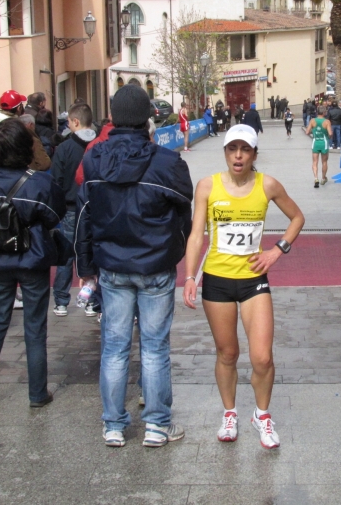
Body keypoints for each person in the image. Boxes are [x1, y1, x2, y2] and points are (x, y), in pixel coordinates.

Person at [75, 84, 193, 448]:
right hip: (154, 265)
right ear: (147, 118)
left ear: (113, 117)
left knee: (114, 346)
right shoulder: (167, 162)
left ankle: (113, 424)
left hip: (112, 265)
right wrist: (173, 249)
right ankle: (157, 424)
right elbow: (184, 214)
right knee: (155, 346)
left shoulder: (94, 160)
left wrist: (86, 266)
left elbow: (84, 215)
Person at [183, 124, 304, 448]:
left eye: (245, 149)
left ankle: (262, 416)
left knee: (262, 357)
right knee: (228, 353)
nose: (238, 156)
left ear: (254, 154)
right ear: (225, 152)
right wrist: (190, 276)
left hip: (253, 281)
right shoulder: (207, 186)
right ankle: (230, 412)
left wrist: (277, 251)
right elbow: (196, 235)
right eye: (232, 149)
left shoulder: (268, 185)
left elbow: (297, 218)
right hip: (218, 281)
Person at [0, 119, 65, 408]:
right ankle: (37, 393)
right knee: (35, 325)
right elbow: (54, 214)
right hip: (31, 256)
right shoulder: (38, 182)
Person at [50, 104, 98, 317]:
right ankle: (92, 300)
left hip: (70, 208)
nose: (67, 125)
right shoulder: (100, 145)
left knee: (67, 256)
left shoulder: (65, 148)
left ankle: (61, 300)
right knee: (93, 253)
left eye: (68, 121)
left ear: (75, 122)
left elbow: (56, 182)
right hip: (94, 206)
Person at [305, 105, 332, 188]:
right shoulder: (327, 122)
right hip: (324, 143)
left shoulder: (312, 121)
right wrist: (328, 136)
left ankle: (316, 178)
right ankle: (323, 178)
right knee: (324, 162)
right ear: (324, 112)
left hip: (315, 142)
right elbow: (330, 134)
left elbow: (307, 132)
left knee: (315, 162)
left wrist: (314, 132)